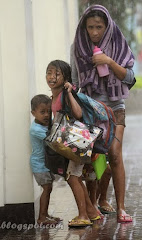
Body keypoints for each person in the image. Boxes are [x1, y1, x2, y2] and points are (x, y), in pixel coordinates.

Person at [71, 4, 135, 223]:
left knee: (115, 154)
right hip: (91, 111)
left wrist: (108, 61)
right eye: (90, 27)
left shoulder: (118, 43)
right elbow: (76, 83)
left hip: (115, 108)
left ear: (107, 26)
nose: (95, 32)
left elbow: (130, 78)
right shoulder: (78, 47)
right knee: (93, 160)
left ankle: (121, 208)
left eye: (99, 27)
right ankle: (95, 203)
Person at [45, 60, 100, 227]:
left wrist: (69, 92)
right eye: (49, 72)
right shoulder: (53, 96)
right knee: (73, 177)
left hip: (76, 142)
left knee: (73, 178)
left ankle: (83, 215)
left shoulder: (65, 94)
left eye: (57, 74)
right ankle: (91, 212)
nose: (52, 77)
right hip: (68, 145)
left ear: (65, 77)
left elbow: (78, 113)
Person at [29, 94, 62, 226]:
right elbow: (52, 139)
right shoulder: (35, 129)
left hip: (45, 164)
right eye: (42, 112)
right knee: (47, 188)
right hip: (39, 165)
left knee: (49, 188)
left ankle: (45, 214)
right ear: (33, 113)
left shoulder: (44, 125)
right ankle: (42, 217)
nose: (47, 115)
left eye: (49, 111)